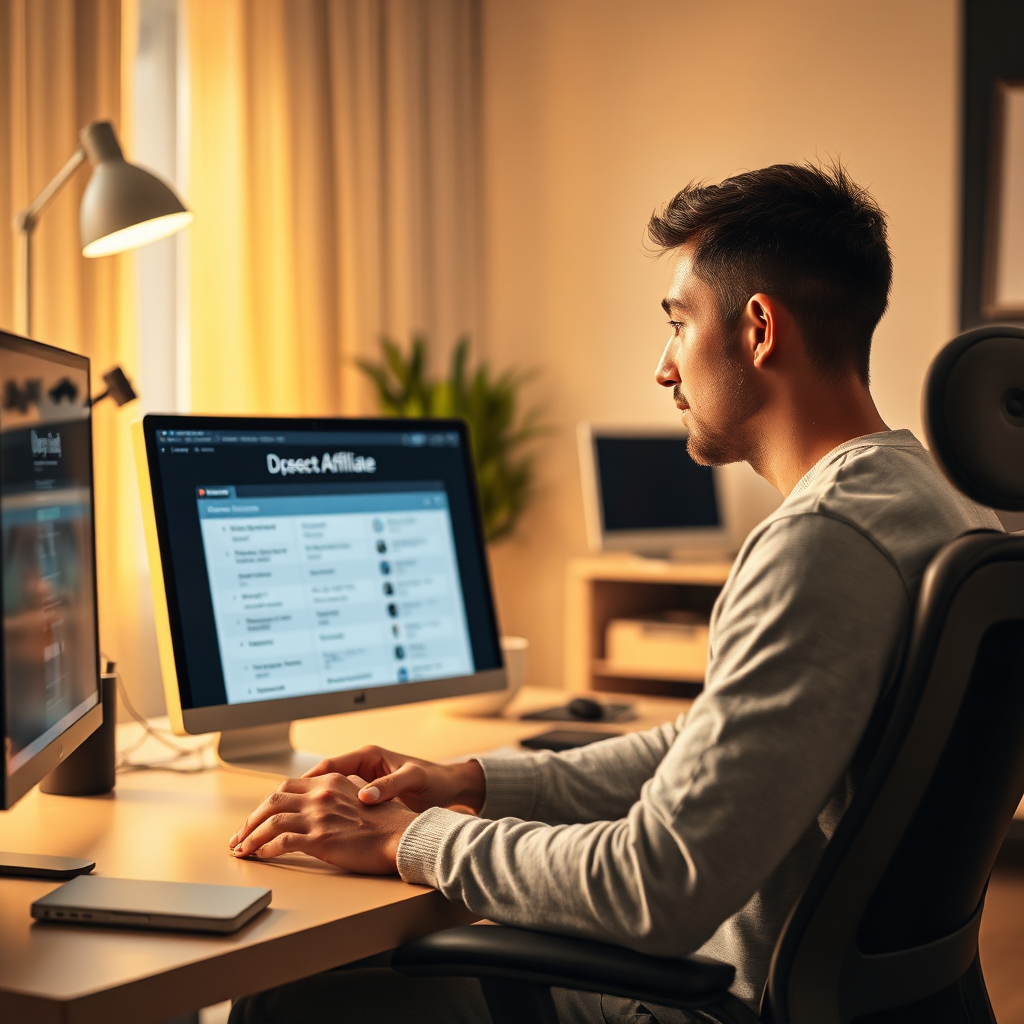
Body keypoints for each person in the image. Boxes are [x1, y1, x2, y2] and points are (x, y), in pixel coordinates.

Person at [227, 163, 1001, 1024]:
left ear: (757, 329)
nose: (664, 368)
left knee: (291, 1000)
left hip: (716, 1007)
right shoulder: (934, 504)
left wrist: (410, 840)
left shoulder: (822, 539)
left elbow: (654, 886)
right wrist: (471, 782)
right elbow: (704, 749)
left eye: (678, 325)